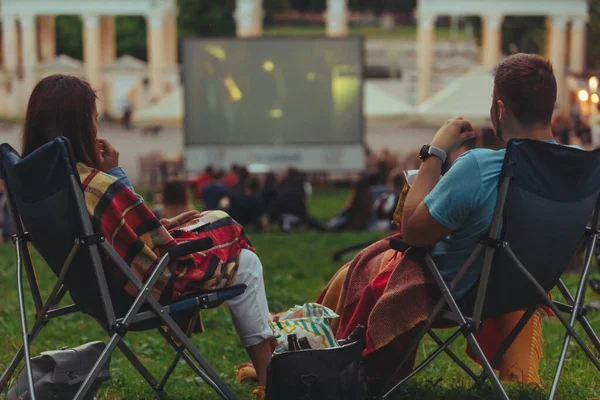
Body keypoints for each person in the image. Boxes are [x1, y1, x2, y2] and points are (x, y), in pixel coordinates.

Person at [21, 74, 272, 400]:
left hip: (94, 292)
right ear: (80, 127)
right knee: (244, 258)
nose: (97, 128)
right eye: (94, 120)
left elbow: (124, 234)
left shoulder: (40, 184)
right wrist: (114, 173)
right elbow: (147, 250)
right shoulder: (97, 186)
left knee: (213, 228)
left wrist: (159, 226)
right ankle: (272, 381)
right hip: (138, 293)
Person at [318, 54, 558, 391]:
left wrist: (435, 152)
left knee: (358, 271)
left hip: (458, 292)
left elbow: (414, 232)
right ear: (550, 107)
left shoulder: (480, 167)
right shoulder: (577, 172)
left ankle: (319, 351)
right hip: (524, 288)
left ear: (500, 109)